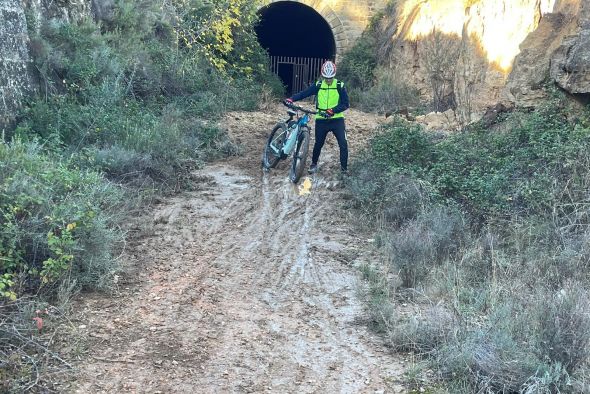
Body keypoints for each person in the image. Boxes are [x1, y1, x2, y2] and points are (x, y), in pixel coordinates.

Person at [285, 60, 350, 175]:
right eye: (326, 78)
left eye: (330, 78)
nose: (328, 80)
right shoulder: (318, 85)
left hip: (337, 120)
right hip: (321, 120)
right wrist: (292, 98)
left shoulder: (340, 85)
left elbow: (346, 104)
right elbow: (304, 93)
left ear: (334, 75)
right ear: (323, 75)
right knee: (318, 143)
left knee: (343, 144)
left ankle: (344, 170)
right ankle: (314, 164)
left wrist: (333, 111)